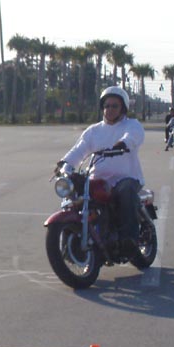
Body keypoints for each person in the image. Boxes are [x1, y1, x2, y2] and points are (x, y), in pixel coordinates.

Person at [56, 86, 147, 252]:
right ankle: (72, 239)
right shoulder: (94, 131)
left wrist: (123, 144)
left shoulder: (131, 125)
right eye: (107, 106)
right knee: (73, 194)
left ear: (123, 108)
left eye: (114, 106)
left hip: (125, 178)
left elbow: (133, 137)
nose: (110, 109)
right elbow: (79, 149)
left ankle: (129, 239)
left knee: (126, 191)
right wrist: (65, 163)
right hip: (97, 179)